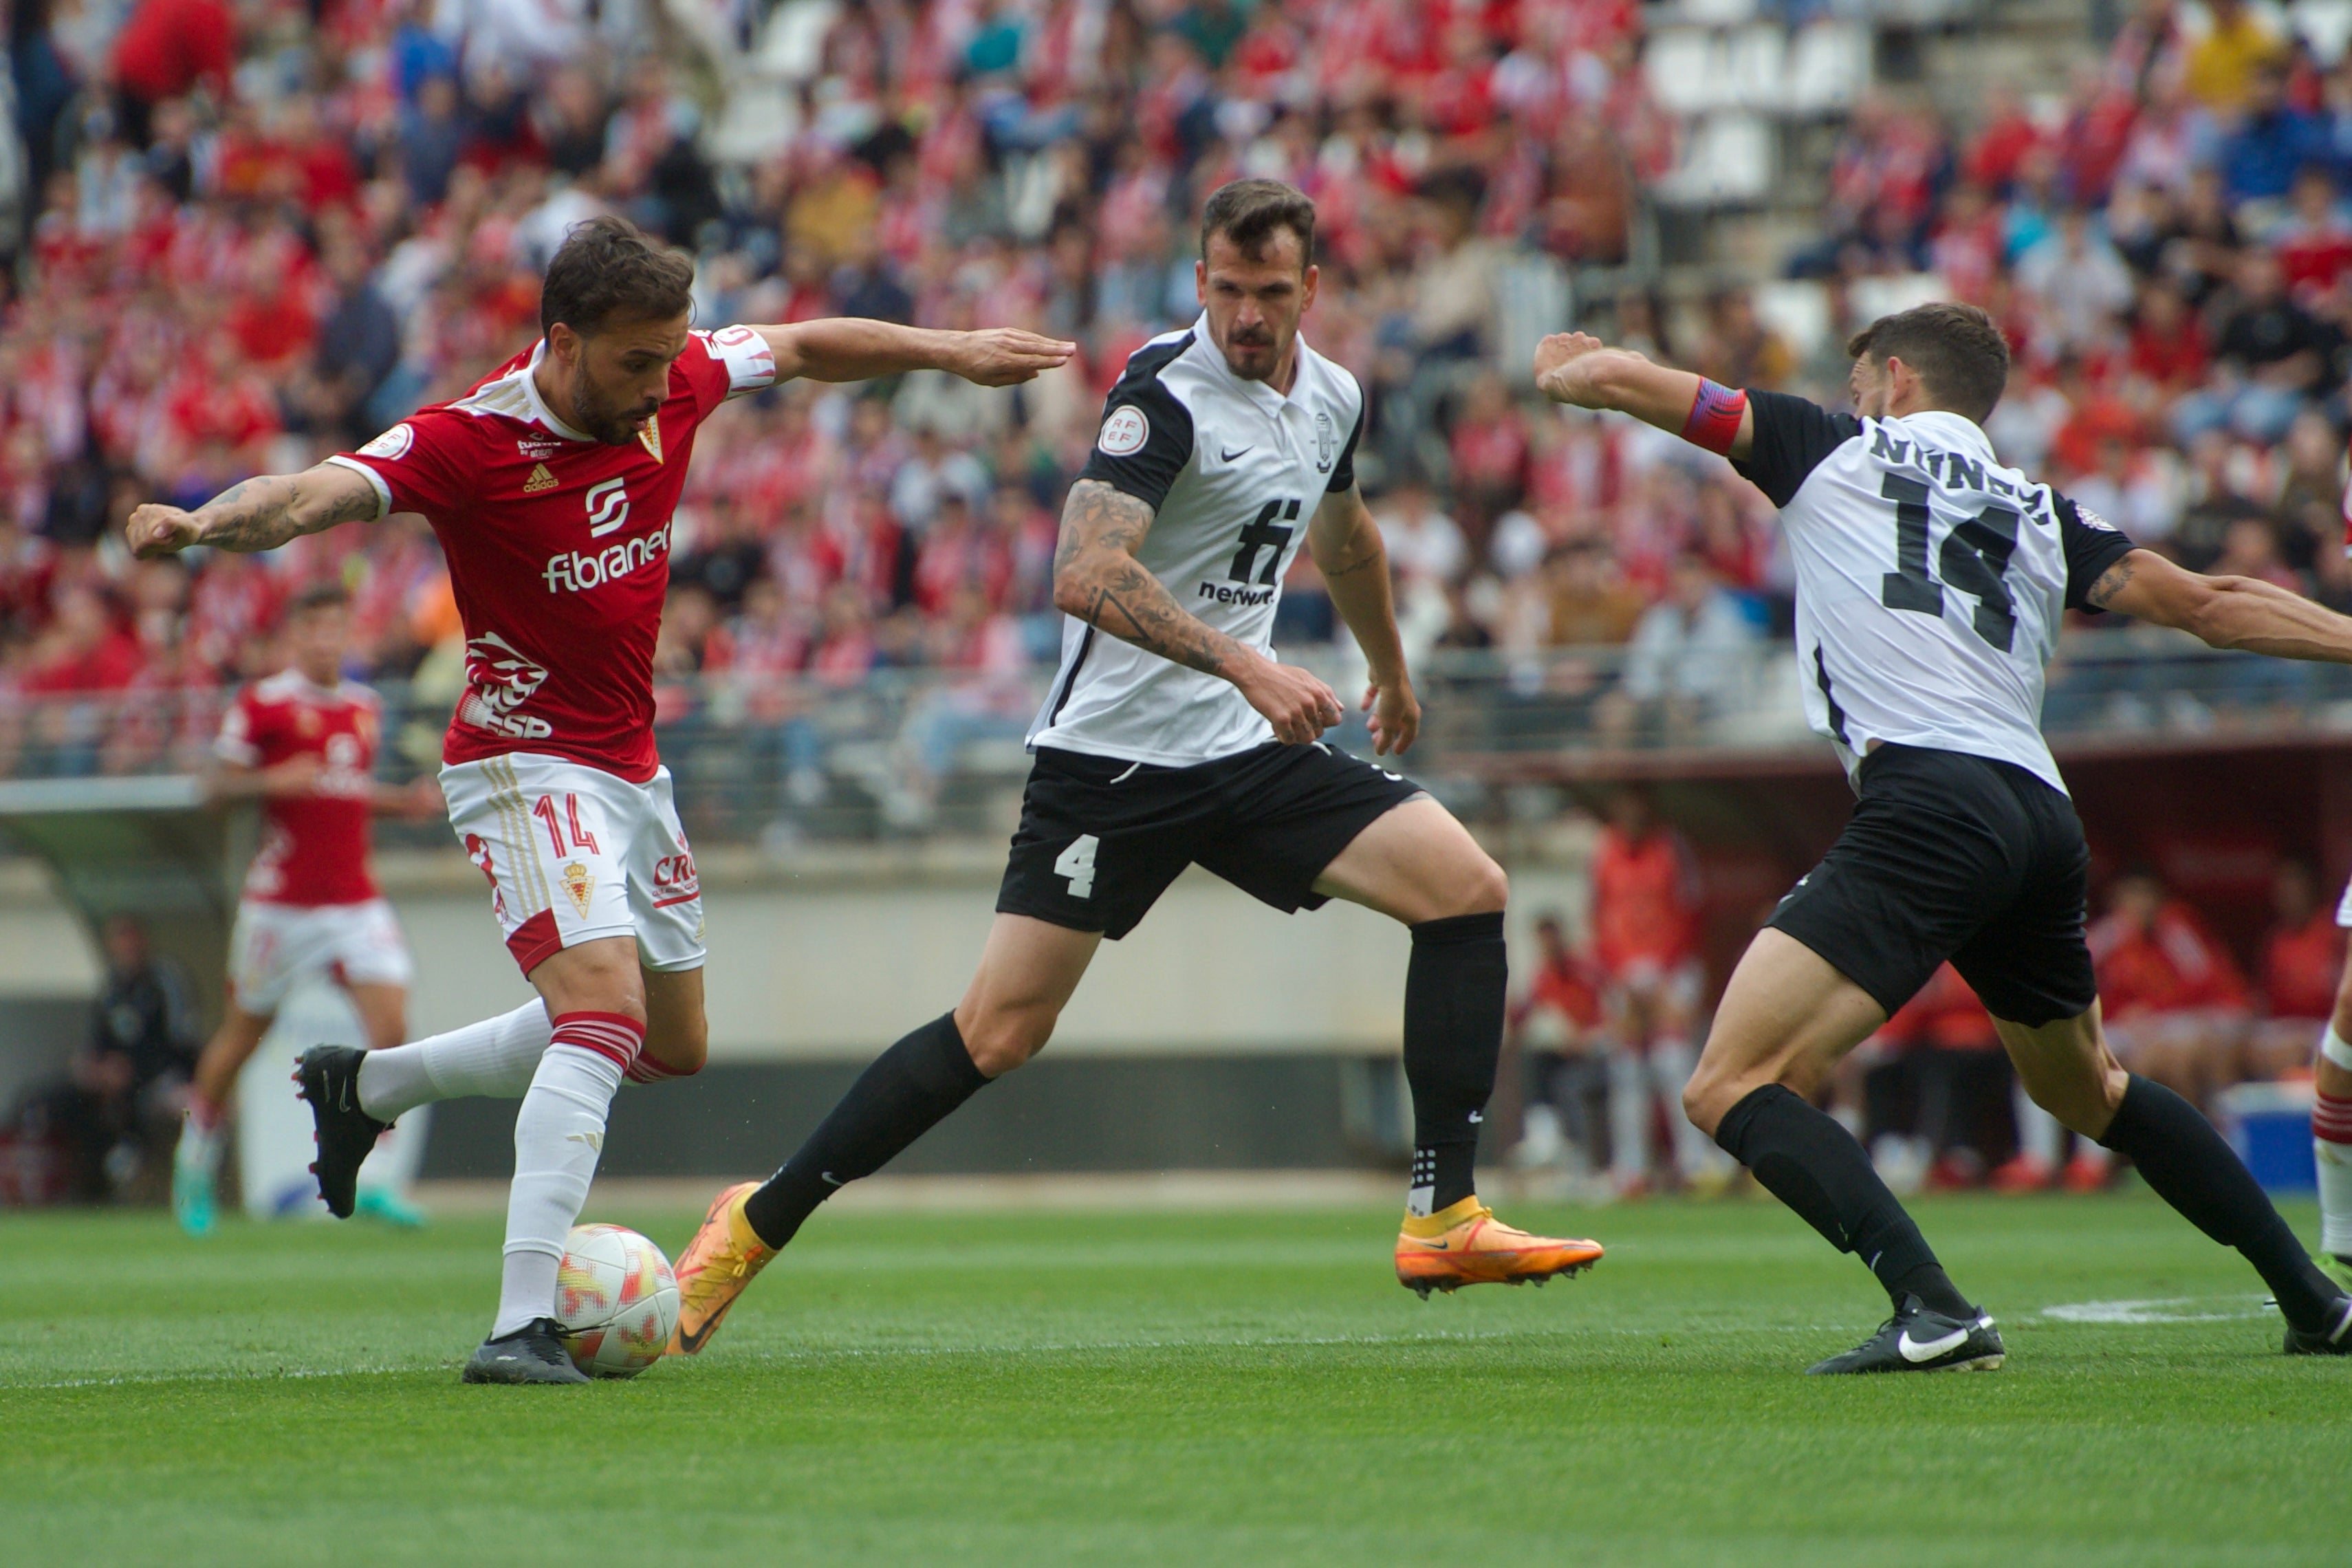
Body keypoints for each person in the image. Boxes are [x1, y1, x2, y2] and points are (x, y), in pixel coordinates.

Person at [126, 214, 1074, 1384]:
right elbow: (316, 495)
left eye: (669, 356)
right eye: (634, 364)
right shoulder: (468, 440)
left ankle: (366, 1086)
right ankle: (522, 1323)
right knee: (603, 1014)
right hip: (521, 763)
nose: (658, 387)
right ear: (564, 343)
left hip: (632, 764)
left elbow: (806, 345)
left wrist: (953, 350)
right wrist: (203, 525)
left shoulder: (676, 375)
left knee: (669, 1044)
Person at [666, 179, 1603, 1358]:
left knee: (1467, 888)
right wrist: (1248, 668)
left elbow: (1345, 534)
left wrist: (1392, 672)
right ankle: (753, 1223)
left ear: (1310, 290)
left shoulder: (1334, 396)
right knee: (999, 1033)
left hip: (1242, 752)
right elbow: (1085, 573)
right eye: (1226, 288)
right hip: (1112, 765)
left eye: (1270, 292)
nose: (1247, 315)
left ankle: (1443, 1213)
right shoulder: (1163, 398)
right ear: (1198, 279)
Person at [1536, 299, 2352, 1370]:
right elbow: (2210, 603)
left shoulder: (1829, 447)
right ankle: (2318, 1304)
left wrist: (1578, 372)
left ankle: (1934, 1307)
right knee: (2087, 1087)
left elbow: (1672, 394)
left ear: (1897, 381)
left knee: (1729, 1083)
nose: (1850, 395)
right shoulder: (2042, 509)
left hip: (1929, 801)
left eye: (1859, 377)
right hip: (2038, 812)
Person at [170, 582, 441, 1237]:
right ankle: (195, 1161)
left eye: (335, 627)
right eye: (313, 627)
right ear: (295, 635)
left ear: (348, 632)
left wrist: (397, 801)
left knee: (394, 1031)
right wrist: (269, 781)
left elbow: (340, 790)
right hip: (281, 907)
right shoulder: (263, 704)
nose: (325, 639)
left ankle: (373, 1180)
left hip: (354, 900)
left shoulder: (365, 706)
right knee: (242, 1037)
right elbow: (213, 790)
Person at [1587, 788, 1728, 1196]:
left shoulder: (1670, 848)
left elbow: (1689, 912)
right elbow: (1596, 917)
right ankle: (1631, 1169)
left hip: (1670, 967)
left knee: (1673, 1063)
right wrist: (1621, 979)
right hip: (1622, 970)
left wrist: (1663, 980)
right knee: (1627, 1070)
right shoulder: (1603, 853)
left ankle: (1694, 1163)